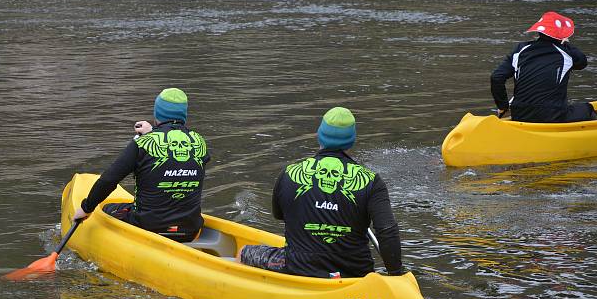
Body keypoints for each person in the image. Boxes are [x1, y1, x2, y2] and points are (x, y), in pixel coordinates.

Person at [238, 107, 403, 279]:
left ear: (319, 135)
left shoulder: (289, 173)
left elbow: (279, 215)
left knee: (244, 252)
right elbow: (387, 232)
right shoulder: (371, 181)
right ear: (352, 141)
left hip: (298, 266)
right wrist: (395, 275)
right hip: (355, 272)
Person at [72, 88, 210, 242]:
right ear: (184, 115)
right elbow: (174, 158)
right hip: (190, 229)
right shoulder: (199, 142)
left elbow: (109, 180)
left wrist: (86, 208)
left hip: (148, 227)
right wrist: (154, 132)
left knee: (106, 209)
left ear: (157, 114)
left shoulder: (142, 143)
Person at [491, 11, 596, 123]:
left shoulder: (520, 49)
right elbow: (582, 63)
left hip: (519, 114)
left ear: (539, 32)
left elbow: (496, 77)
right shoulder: (567, 53)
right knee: (588, 109)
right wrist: (565, 43)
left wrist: (503, 106)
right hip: (554, 115)